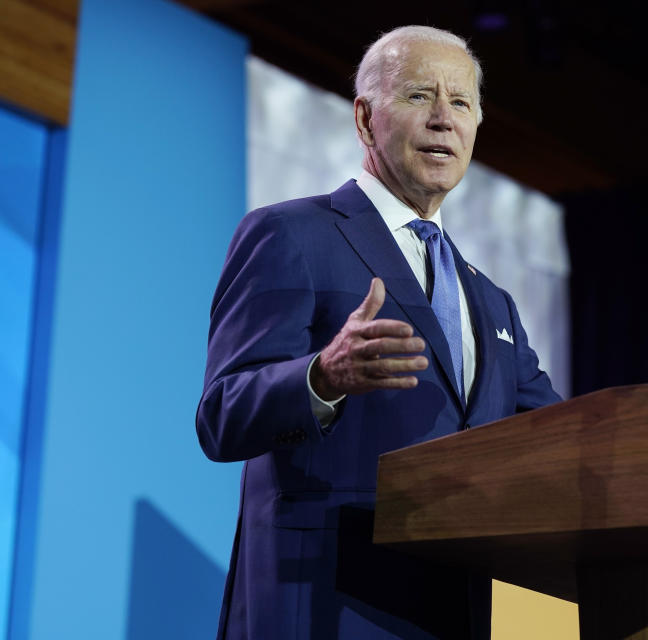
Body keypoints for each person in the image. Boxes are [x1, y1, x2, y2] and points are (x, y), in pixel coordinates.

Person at [196, 25, 561, 640]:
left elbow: (552, 436)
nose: (445, 119)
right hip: (322, 604)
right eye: (420, 96)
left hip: (455, 608)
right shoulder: (291, 233)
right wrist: (322, 376)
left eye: (462, 102)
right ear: (365, 119)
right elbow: (221, 415)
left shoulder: (492, 302)